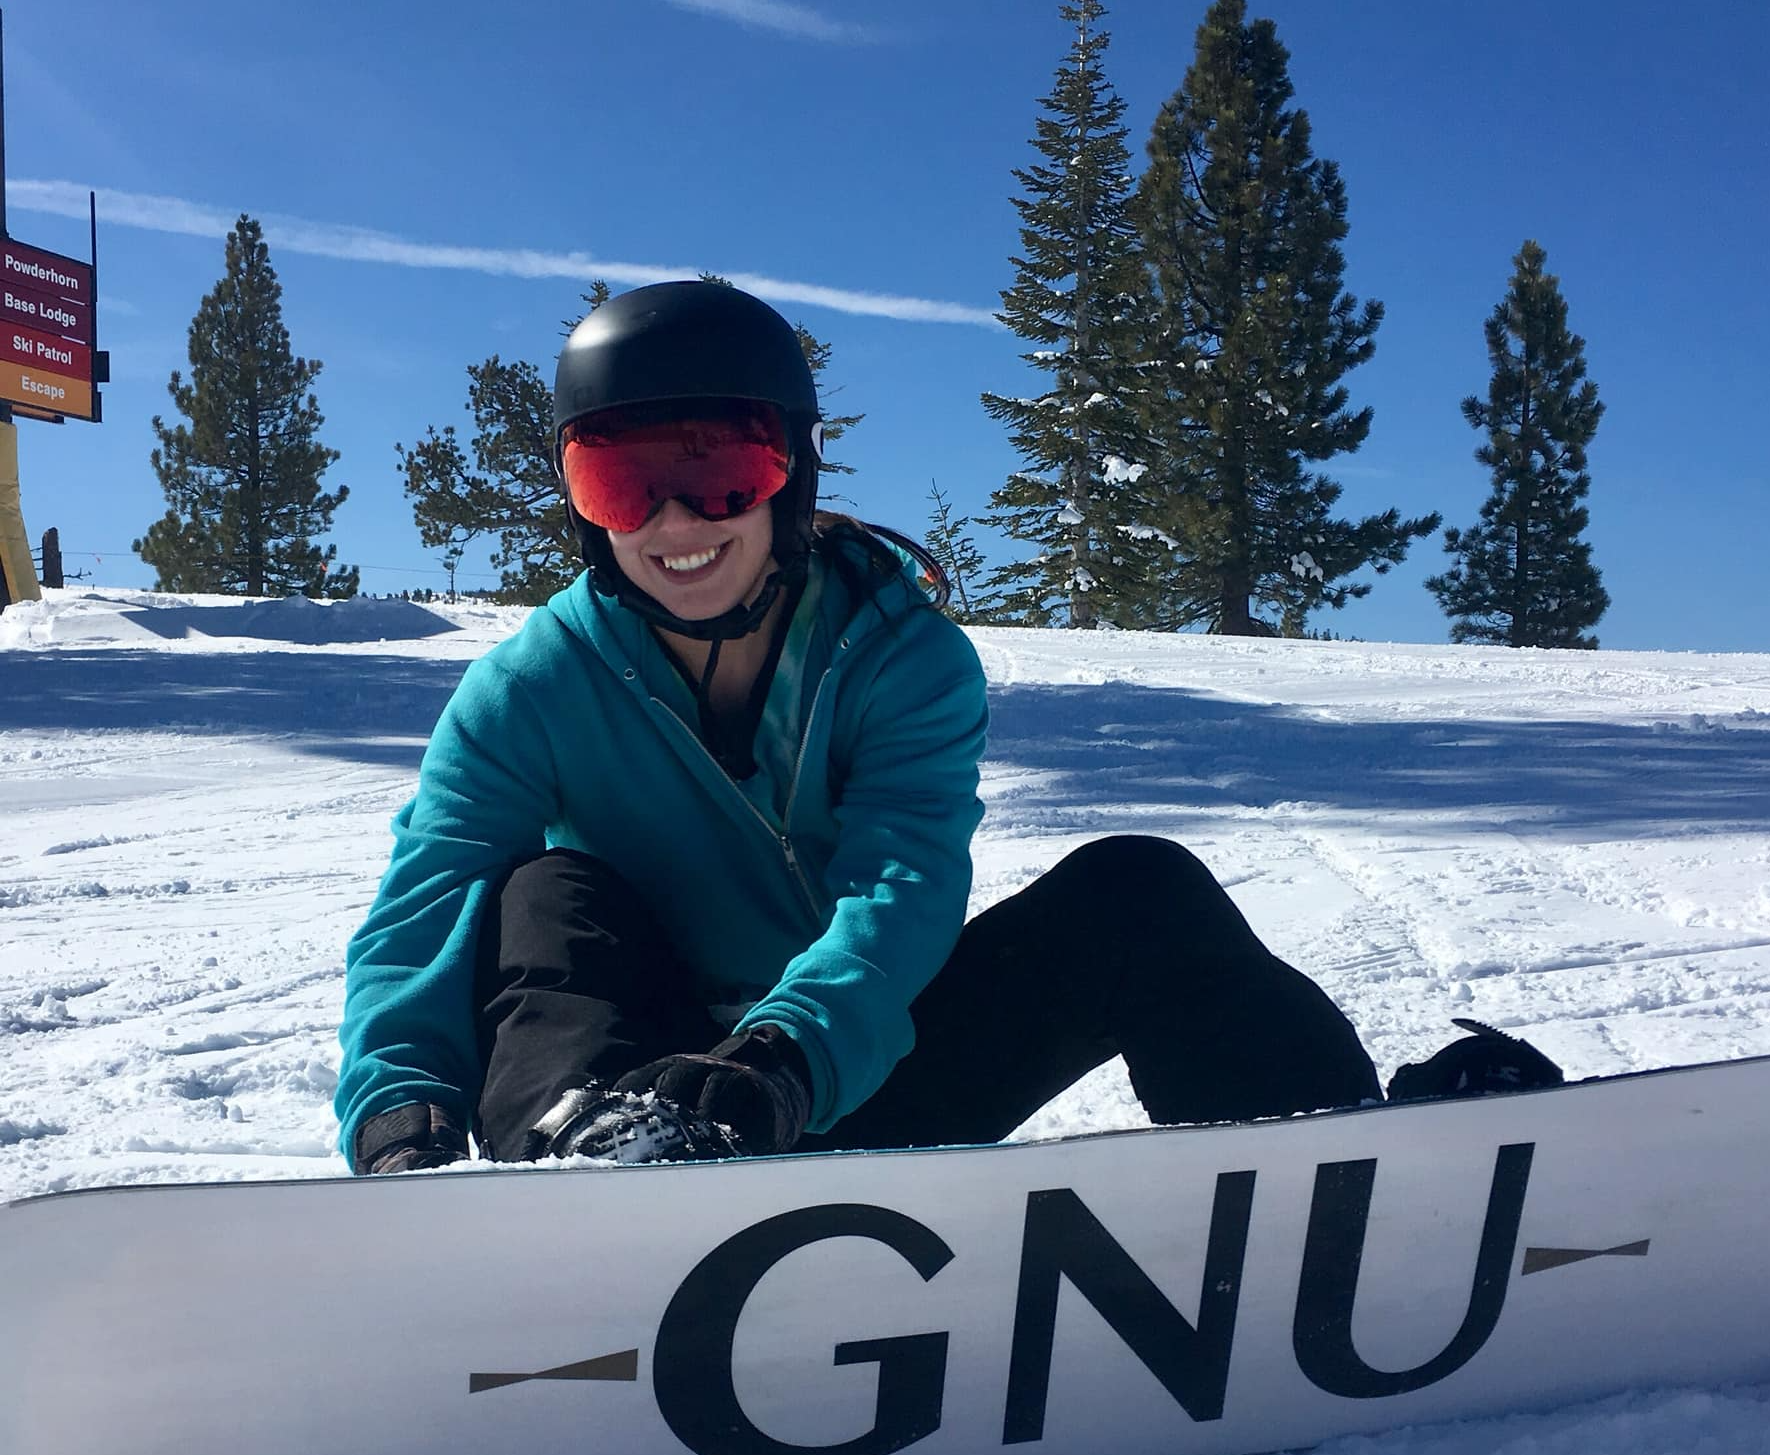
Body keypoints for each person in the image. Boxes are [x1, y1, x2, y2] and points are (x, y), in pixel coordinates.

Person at [335, 282, 1553, 1176]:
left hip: (830, 1074)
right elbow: (424, 910)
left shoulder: (897, 657)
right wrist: (396, 1115)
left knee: (1139, 892)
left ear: (791, 476)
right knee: (544, 889)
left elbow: (899, 889)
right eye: (619, 480)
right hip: (645, 1116)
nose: (670, 520)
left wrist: (778, 1066)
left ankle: (1345, 1173)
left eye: (717, 474)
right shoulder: (532, 688)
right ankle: (588, 1166)